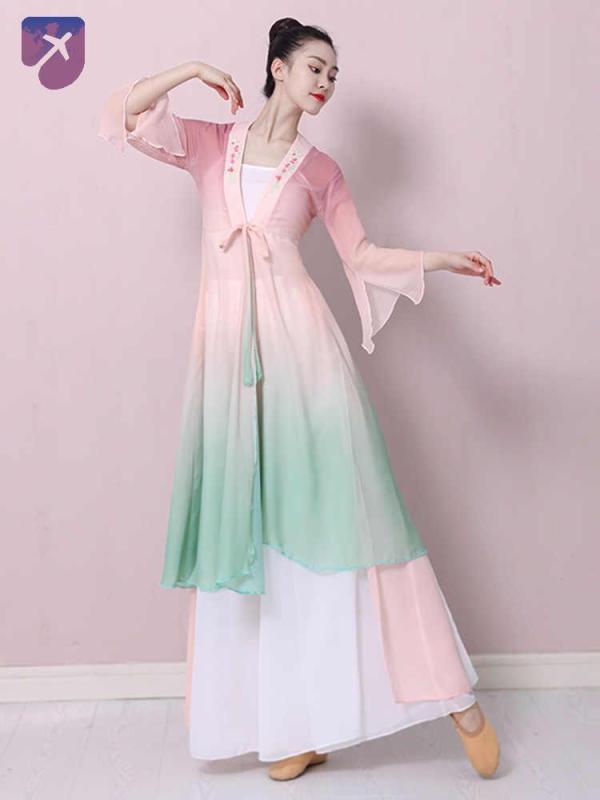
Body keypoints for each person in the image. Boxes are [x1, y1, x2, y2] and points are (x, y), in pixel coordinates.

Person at [98, 16, 502, 783]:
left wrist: (444, 259)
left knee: (355, 520)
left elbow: (364, 256)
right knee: (255, 538)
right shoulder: (211, 144)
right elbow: (124, 113)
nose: (325, 81)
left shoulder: (321, 171)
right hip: (228, 370)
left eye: (334, 74)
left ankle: (457, 700)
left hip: (306, 361)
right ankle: (295, 727)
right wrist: (190, 68)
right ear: (277, 68)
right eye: (315, 66)